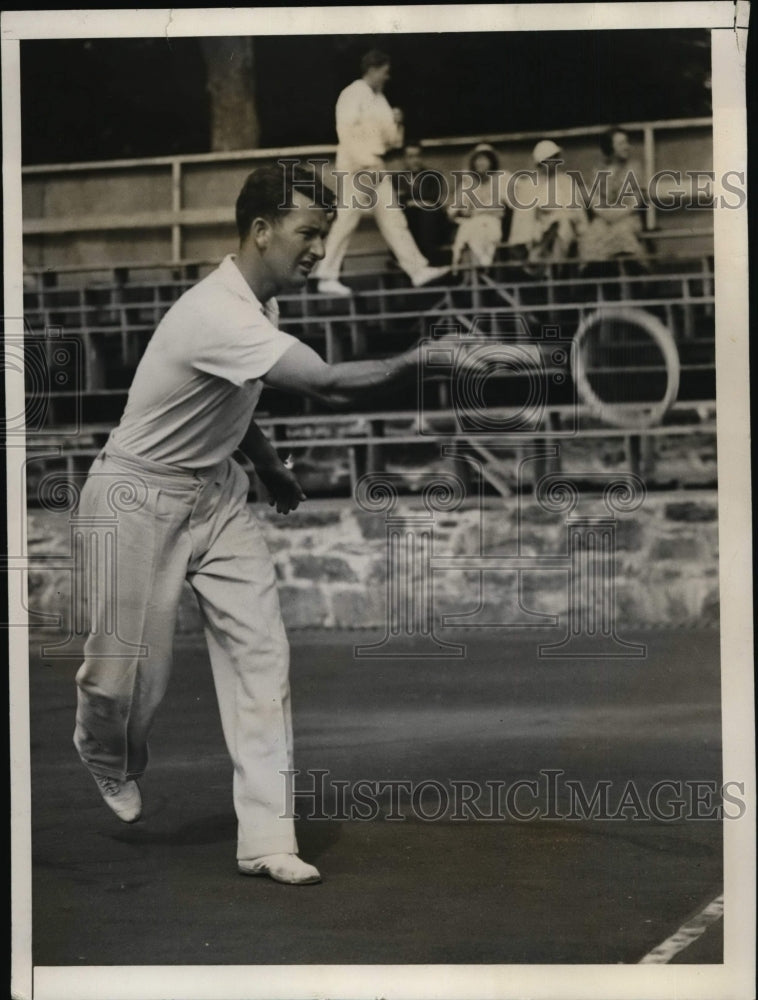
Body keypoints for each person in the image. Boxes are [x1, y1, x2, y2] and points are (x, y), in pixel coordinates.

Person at [73, 163, 431, 886]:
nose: (316, 248)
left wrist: (266, 467)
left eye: (323, 235)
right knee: (124, 680)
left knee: (262, 657)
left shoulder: (255, 311)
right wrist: (423, 357)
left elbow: (232, 401)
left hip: (217, 499)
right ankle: (102, 748)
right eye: (307, 233)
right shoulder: (219, 313)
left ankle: (267, 838)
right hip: (134, 499)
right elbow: (327, 383)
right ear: (261, 231)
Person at [315, 50, 449, 296]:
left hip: (375, 164)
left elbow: (392, 142)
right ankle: (326, 275)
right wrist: (364, 162)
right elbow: (345, 132)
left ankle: (418, 270)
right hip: (357, 166)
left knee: (393, 219)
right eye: (385, 72)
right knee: (347, 218)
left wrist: (397, 121)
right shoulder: (352, 94)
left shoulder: (380, 99)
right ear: (373, 69)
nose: (387, 77)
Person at [578, 126, 649, 273]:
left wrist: (617, 214)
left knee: (621, 232)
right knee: (591, 235)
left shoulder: (634, 168)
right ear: (610, 147)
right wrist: (605, 214)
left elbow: (637, 200)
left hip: (628, 216)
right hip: (604, 218)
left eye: (627, 142)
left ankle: (637, 276)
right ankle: (596, 280)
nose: (627, 147)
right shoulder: (598, 170)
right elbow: (595, 199)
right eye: (621, 144)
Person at [508, 139, 587, 269]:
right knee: (544, 230)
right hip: (537, 229)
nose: (553, 163)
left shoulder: (566, 181)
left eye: (555, 158)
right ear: (540, 162)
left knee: (562, 223)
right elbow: (523, 216)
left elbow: (577, 211)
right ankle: (543, 262)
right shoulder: (529, 184)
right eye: (549, 159)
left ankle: (556, 267)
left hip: (564, 226)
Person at [448, 142, 511, 271]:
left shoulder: (501, 180)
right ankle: (471, 279)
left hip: (492, 223)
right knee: (467, 233)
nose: (480, 163)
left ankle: (480, 274)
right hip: (472, 222)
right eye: (478, 159)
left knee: (481, 232)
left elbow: (512, 204)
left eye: (484, 159)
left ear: (491, 162)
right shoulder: (468, 182)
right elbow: (452, 210)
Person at [392, 141, 453, 266]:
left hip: (431, 225)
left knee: (428, 214)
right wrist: (417, 202)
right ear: (404, 159)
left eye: (417, 156)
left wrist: (411, 201)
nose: (415, 160)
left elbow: (432, 199)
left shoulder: (433, 176)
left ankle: (428, 263)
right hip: (409, 224)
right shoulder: (396, 179)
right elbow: (398, 202)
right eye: (410, 157)